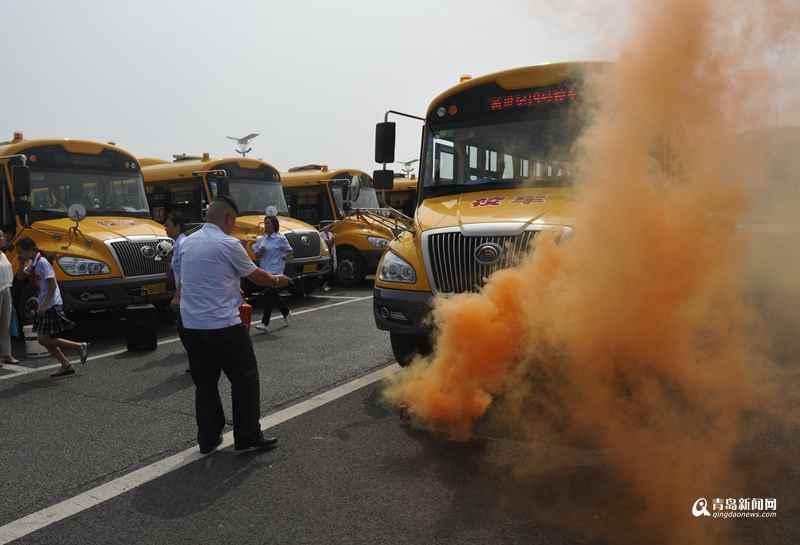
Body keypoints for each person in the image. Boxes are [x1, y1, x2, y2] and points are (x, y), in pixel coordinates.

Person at [173, 196, 291, 455]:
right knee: (244, 380)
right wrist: (277, 280)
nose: (233, 228)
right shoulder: (228, 243)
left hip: (191, 326)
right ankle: (247, 436)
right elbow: (257, 276)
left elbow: (191, 280)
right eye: (233, 223)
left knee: (205, 384)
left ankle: (208, 438)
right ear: (227, 218)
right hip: (223, 325)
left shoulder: (187, 243)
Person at [15, 238, 88, 377]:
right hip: (45, 304)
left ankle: (79, 346)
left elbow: (53, 285)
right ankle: (66, 365)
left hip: (51, 304)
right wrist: (20, 263)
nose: (19, 254)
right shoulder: (33, 262)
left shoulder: (42, 263)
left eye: (20, 252)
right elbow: (20, 277)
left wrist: (43, 305)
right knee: (44, 339)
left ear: (31, 250)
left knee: (43, 339)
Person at [252, 215, 293, 332]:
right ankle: (285, 311)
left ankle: (265, 323)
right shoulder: (261, 239)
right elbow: (256, 256)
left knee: (269, 295)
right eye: (265, 223)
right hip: (265, 270)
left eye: (269, 223)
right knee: (273, 294)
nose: (266, 225)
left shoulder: (280, 238)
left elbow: (290, 251)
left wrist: (285, 256)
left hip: (276, 270)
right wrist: (261, 251)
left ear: (274, 225)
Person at [165, 210, 191, 372]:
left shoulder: (183, 244)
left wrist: (177, 295)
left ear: (177, 226)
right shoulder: (177, 243)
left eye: (168, 225)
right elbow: (175, 269)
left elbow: (186, 272)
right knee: (185, 329)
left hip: (186, 294)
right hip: (182, 292)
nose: (165, 227)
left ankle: (198, 359)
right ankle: (196, 358)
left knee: (186, 329)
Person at [0, 231, 18, 367]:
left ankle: (6, 354)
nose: (3, 238)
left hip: (6, 289)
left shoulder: (3, 255)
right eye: (0, 236)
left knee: (5, 324)